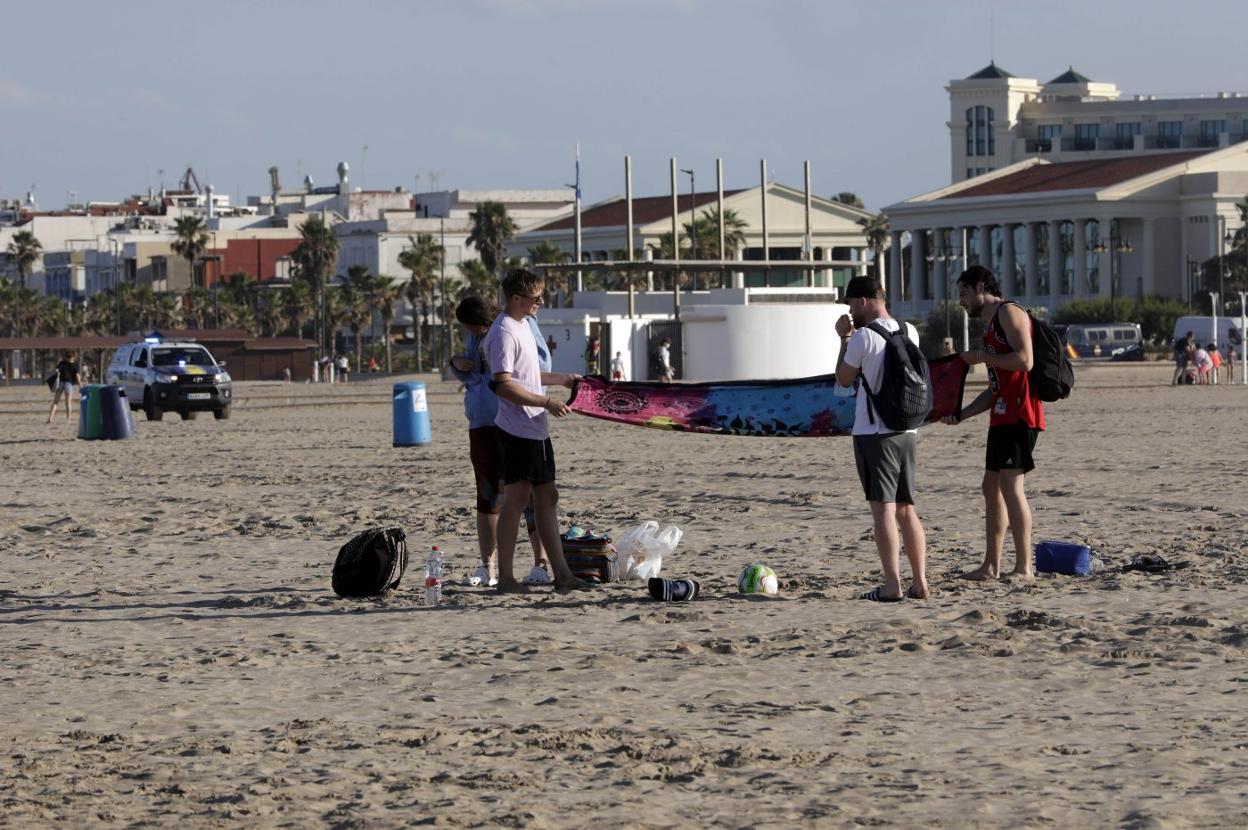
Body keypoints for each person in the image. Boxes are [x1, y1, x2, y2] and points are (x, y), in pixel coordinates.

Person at [484, 268, 591, 593]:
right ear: (516, 298)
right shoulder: (502, 332)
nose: (540, 302)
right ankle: (505, 577)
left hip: (534, 429)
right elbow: (502, 385)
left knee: (547, 496)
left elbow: (526, 375)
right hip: (518, 429)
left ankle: (562, 574)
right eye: (535, 297)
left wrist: (559, 379)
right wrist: (546, 402)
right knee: (516, 499)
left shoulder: (523, 326)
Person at [942, 265, 1044, 583]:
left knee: (1012, 488)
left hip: (1020, 413)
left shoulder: (1008, 312)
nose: (961, 301)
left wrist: (983, 357)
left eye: (964, 293)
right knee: (990, 487)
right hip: (1001, 412)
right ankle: (991, 565)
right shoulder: (990, 326)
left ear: (981, 287)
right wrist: (963, 414)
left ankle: (1024, 568)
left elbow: (1025, 360)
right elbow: (995, 386)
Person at [833, 276, 928, 602]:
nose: (849, 311)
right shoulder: (909, 330)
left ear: (862, 302)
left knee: (883, 510)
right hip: (908, 428)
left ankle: (892, 586)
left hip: (874, 433)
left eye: (850, 304)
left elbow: (844, 380)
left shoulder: (862, 338)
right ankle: (920, 581)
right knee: (906, 508)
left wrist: (844, 338)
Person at [450, 295, 552, 588]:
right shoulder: (480, 334)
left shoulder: (519, 326)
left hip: (515, 421)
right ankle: (487, 566)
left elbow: (537, 369)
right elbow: (473, 375)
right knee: (488, 495)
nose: (472, 333)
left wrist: (539, 401)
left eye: (473, 327)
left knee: (528, 495)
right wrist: (456, 362)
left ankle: (540, 563)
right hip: (481, 422)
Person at [46, 350, 81, 424]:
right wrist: (80, 385)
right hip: (69, 384)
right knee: (68, 403)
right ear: (73, 357)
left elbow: (56, 370)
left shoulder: (62, 363)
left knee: (55, 402)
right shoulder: (75, 365)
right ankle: (68, 420)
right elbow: (77, 376)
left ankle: (50, 418)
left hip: (60, 383)